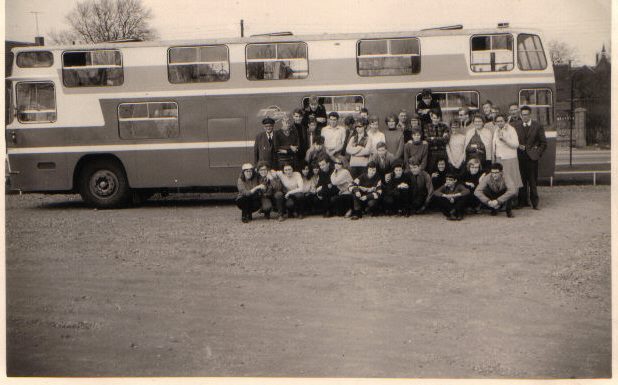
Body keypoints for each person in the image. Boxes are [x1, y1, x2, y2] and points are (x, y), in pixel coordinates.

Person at [512, 105, 547, 209]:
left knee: (532, 181)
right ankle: (522, 202)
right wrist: (518, 146)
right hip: (520, 157)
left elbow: (544, 143)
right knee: (521, 181)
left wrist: (537, 153)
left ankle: (535, 203)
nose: (525, 117)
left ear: (530, 115)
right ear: (520, 115)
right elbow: (513, 141)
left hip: (532, 158)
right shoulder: (516, 126)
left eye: (526, 115)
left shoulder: (537, 126)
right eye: (523, 115)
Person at [492, 114, 523, 192]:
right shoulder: (496, 130)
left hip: (509, 159)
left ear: (505, 121)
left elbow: (516, 144)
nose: (499, 123)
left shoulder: (511, 129)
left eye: (501, 121)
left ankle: (513, 199)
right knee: (502, 179)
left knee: (511, 179)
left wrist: (505, 140)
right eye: (497, 121)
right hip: (499, 159)